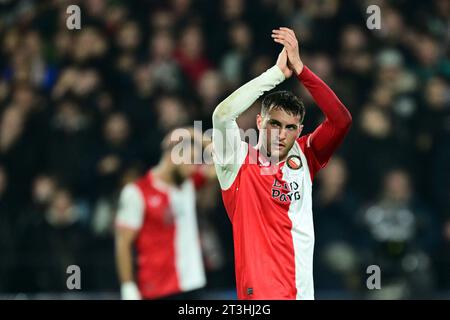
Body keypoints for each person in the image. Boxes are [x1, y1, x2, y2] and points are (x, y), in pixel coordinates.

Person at [212, 27, 352, 300]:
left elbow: (341, 120)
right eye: (274, 124)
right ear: (259, 123)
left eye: (290, 127)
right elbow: (222, 116)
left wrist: (301, 68)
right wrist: (275, 75)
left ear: (299, 130)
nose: (281, 133)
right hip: (260, 295)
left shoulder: (306, 155)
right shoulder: (236, 160)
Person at [115, 127, 214, 300]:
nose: (194, 167)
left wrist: (192, 133)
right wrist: (128, 286)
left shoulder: (188, 184)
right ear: (173, 157)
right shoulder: (137, 192)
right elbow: (123, 243)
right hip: (158, 289)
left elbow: (227, 163)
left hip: (192, 283)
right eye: (190, 160)